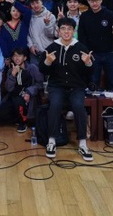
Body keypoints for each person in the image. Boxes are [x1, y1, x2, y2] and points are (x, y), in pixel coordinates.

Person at [39, 18, 94, 162]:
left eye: (69, 29)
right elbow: (42, 69)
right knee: (55, 105)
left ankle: (82, 143)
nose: (66, 32)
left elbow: (90, 72)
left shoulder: (81, 48)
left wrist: (88, 63)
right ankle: (51, 141)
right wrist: (47, 62)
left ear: (74, 31)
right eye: (63, 28)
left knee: (78, 106)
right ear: (58, 31)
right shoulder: (51, 47)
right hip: (57, 86)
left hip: (76, 87)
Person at [78, 0, 113, 91]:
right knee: (93, 83)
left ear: (101, 0)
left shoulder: (110, 14)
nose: (94, 3)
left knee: (112, 82)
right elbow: (81, 36)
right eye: (92, 1)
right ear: (88, 1)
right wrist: (87, 52)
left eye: (97, 0)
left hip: (109, 53)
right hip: (93, 54)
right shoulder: (84, 16)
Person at [0, 47, 44, 132]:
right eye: (14, 56)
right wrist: (13, 74)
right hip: (14, 96)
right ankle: (18, 118)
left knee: (18, 101)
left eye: (19, 55)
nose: (17, 58)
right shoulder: (11, 70)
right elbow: (9, 88)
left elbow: (40, 84)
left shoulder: (32, 68)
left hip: (28, 97)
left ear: (24, 58)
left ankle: (23, 122)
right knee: (0, 116)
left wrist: (29, 92)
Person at [27, 0, 57, 66]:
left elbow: (51, 35)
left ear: (42, 2)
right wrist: (30, 45)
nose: (35, 5)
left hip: (49, 51)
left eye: (37, 2)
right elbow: (27, 34)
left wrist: (47, 24)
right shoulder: (29, 17)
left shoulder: (50, 16)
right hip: (35, 52)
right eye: (32, 4)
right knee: (35, 71)